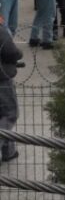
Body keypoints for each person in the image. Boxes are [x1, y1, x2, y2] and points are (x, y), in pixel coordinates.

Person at [0, 16, 22, 165]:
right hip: (1, 78)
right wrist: (19, 54)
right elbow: (10, 51)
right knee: (9, 114)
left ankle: (8, 150)